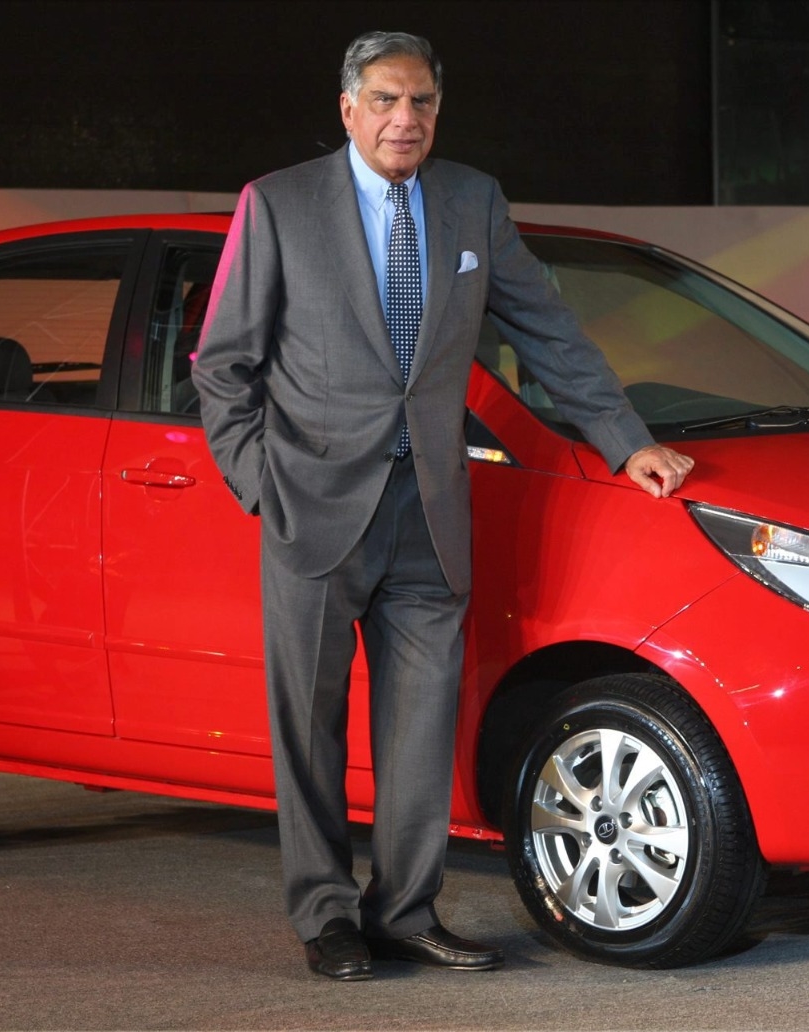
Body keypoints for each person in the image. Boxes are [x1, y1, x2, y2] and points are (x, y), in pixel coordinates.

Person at [193, 30, 694, 981]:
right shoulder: (280, 204)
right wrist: (262, 482)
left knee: (421, 725)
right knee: (307, 724)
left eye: (420, 102)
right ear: (347, 109)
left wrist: (628, 442)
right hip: (313, 508)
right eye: (384, 100)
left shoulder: (471, 200)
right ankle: (325, 915)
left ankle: (406, 909)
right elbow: (222, 367)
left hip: (430, 505)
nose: (404, 119)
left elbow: (547, 329)